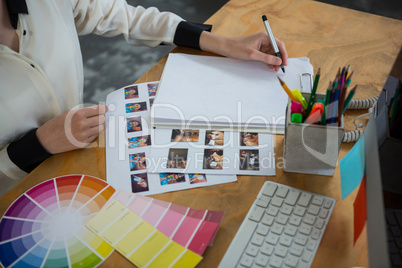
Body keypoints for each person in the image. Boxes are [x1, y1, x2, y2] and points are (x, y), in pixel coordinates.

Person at [0, 0, 288, 196]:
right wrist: (35, 145)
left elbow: (122, 15)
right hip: (15, 191)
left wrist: (223, 43)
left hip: (84, 153)